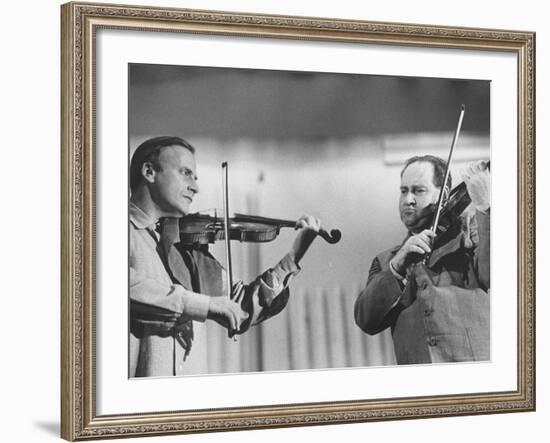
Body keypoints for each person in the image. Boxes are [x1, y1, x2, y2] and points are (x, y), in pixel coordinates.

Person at [129, 136, 321, 377]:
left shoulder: (185, 248)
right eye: (186, 173)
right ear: (149, 171)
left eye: (195, 177)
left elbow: (239, 308)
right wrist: (205, 305)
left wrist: (293, 256)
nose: (195, 187)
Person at [354, 155, 490, 364]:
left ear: (444, 194)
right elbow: (366, 320)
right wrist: (398, 266)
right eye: (404, 191)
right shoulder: (385, 261)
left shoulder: (471, 232)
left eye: (419, 190)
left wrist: (486, 209)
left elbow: (494, 275)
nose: (408, 199)